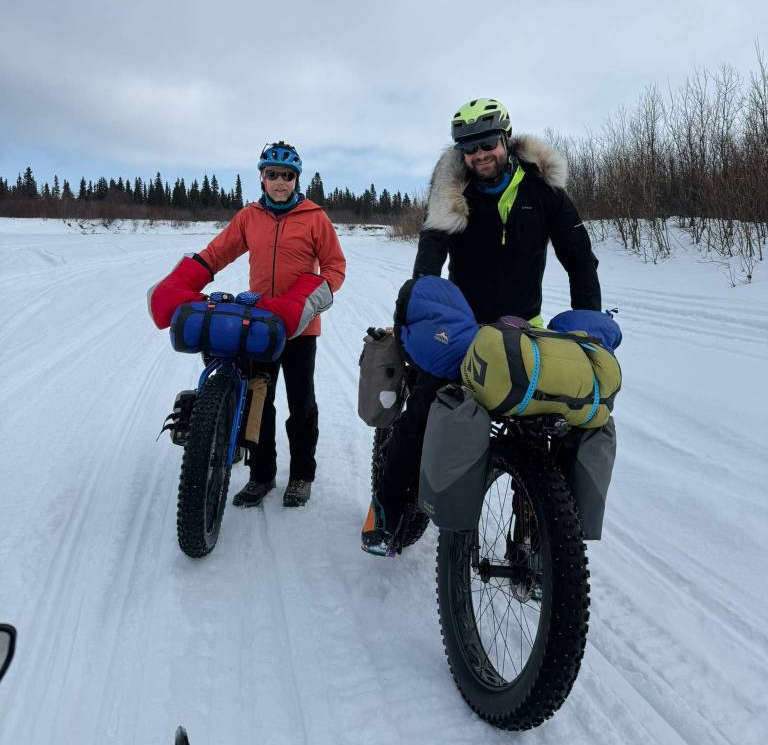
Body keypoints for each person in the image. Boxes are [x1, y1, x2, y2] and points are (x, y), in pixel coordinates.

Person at [362, 97, 602, 554]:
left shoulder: (542, 190)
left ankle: (537, 540)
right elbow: (430, 260)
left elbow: (579, 259)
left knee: (549, 426)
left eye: (487, 143)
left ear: (505, 141)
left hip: (523, 330)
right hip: (463, 332)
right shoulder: (454, 195)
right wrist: (418, 309)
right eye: (469, 148)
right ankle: (387, 511)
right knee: (423, 412)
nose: (480, 155)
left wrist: (586, 328)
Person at [153, 141, 346, 509]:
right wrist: (185, 280)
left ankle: (302, 475)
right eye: (272, 174)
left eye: (287, 176)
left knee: (301, 403)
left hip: (302, 327)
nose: (279, 182)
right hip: (259, 326)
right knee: (260, 400)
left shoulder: (315, 217)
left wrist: (306, 300)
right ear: (262, 177)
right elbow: (217, 253)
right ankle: (262, 475)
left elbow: (335, 266)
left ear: (296, 179)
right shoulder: (249, 217)